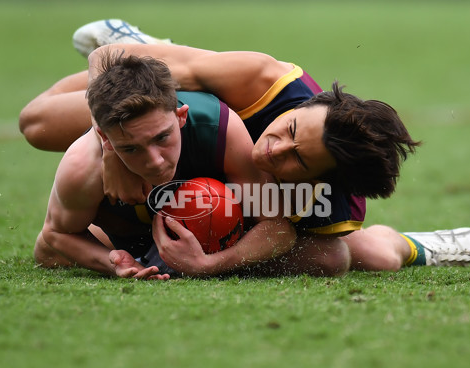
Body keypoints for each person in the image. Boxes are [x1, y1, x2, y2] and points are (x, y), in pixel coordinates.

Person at [20, 20, 470, 272]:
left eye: (297, 161)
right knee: (38, 124)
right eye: (291, 129)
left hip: (238, 196)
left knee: (348, 258)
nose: (274, 149)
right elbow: (106, 57)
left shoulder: (330, 200)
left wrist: (213, 263)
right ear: (303, 105)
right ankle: (153, 49)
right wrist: (109, 147)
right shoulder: (262, 81)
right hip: (171, 114)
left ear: (319, 179)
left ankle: (424, 246)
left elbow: (282, 229)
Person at [34, 53, 299, 279]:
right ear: (106, 139)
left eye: (162, 138)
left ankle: (141, 54)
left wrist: (210, 265)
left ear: (181, 116)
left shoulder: (220, 128)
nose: (155, 161)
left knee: (329, 259)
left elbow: (277, 227)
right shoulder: (82, 166)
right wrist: (112, 261)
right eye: (131, 148)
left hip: (225, 227)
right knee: (46, 252)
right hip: (133, 231)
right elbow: (56, 233)